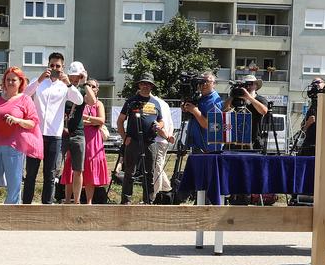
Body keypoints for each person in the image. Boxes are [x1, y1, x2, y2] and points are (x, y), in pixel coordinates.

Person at [22, 52, 81, 204]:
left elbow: (79, 100)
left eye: (58, 66)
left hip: (54, 135)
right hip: (36, 134)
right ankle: (26, 204)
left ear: (63, 67)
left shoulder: (64, 86)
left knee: (50, 173)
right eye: (52, 65)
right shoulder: (38, 81)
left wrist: (69, 84)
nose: (54, 68)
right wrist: (39, 80)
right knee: (31, 173)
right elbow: (25, 94)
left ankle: (47, 205)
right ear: (48, 65)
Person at [0, 66, 39, 203]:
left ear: (20, 82)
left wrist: (18, 120)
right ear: (4, 81)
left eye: (14, 80)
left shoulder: (25, 99)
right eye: (8, 79)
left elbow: (33, 123)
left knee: (14, 184)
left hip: (15, 147)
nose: (10, 82)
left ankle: (12, 211)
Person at [115, 74, 172, 203]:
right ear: (139, 85)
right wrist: (124, 137)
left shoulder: (156, 103)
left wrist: (159, 125)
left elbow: (161, 121)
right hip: (133, 141)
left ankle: (148, 200)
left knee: (149, 173)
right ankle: (126, 201)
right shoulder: (131, 101)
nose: (145, 86)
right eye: (143, 83)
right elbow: (120, 121)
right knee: (129, 172)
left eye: (148, 84)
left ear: (152, 86)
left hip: (150, 142)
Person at [60, 78, 111, 204]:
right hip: (78, 135)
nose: (91, 88)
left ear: (97, 89)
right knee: (72, 168)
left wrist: (86, 118)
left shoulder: (98, 104)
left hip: (93, 141)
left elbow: (101, 120)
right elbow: (73, 118)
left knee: (90, 170)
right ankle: (68, 200)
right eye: (88, 85)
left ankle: (88, 202)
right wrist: (91, 121)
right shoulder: (79, 101)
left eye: (93, 86)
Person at [181, 70, 223, 154]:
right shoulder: (201, 98)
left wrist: (195, 111)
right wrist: (187, 108)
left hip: (209, 148)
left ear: (214, 84)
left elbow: (210, 126)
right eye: (201, 82)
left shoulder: (214, 101)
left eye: (207, 81)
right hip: (197, 144)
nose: (204, 84)